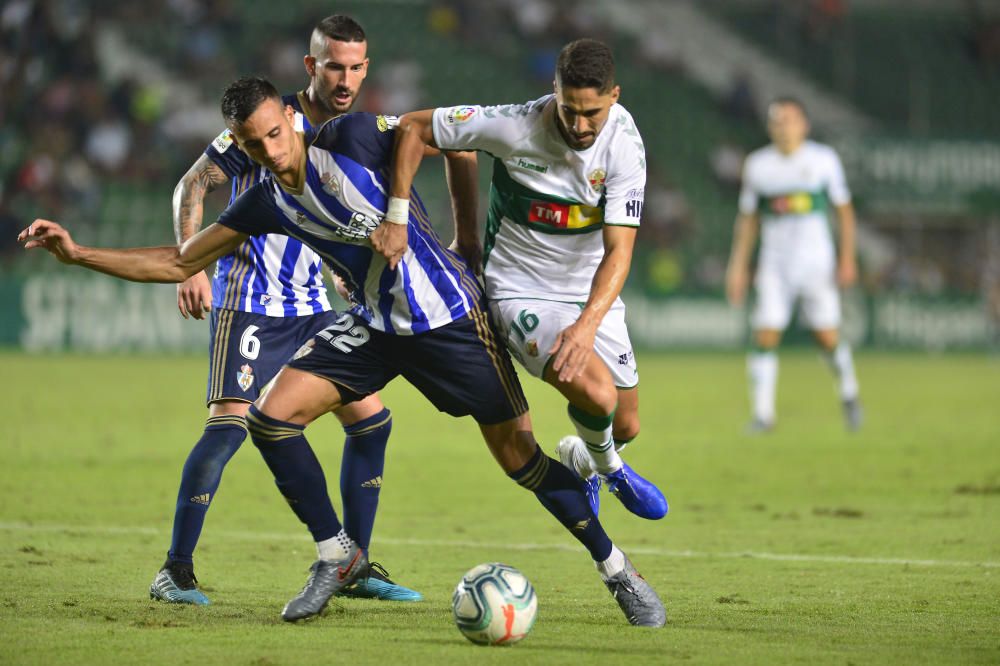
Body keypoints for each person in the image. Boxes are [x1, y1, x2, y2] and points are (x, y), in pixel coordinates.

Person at [19, 76, 667, 628]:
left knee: (520, 459)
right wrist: (78, 255)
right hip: (376, 326)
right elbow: (179, 259)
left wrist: (446, 233)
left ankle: (617, 570)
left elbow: (446, 143)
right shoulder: (266, 201)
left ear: (290, 122)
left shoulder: (354, 140)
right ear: (241, 149)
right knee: (272, 417)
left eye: (276, 133)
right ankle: (338, 553)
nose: (270, 151)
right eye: (253, 145)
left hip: (449, 322)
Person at [154, 15, 419, 605]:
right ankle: (175, 569)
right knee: (227, 430)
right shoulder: (269, 120)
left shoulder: (353, 132)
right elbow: (192, 186)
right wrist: (193, 264)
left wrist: (347, 275)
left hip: (313, 306)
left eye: (355, 68)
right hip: (249, 302)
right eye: (334, 67)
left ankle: (355, 565)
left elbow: (326, 220)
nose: (345, 79)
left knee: (372, 422)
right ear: (312, 67)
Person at [381, 38, 667, 520]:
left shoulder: (624, 143)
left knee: (628, 420)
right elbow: (413, 127)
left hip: (587, 290)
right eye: (569, 109)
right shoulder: (515, 125)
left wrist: (587, 324)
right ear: (553, 89)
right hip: (520, 289)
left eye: (591, 113)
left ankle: (585, 457)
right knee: (598, 395)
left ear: (614, 97)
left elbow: (620, 252)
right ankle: (613, 471)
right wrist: (400, 216)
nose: (578, 125)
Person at [725, 96, 862, 432]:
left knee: (827, 336)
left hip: (817, 265)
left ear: (804, 125)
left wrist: (847, 258)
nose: (783, 128)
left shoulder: (823, 160)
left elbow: (843, 212)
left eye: (790, 120)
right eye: (777, 121)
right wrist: (738, 266)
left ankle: (849, 392)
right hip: (775, 266)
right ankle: (763, 415)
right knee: (765, 334)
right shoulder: (758, 165)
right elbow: (748, 220)